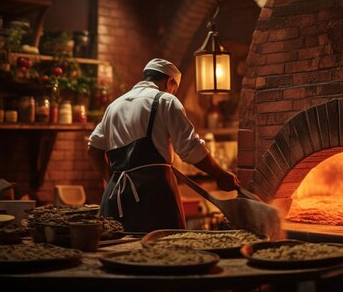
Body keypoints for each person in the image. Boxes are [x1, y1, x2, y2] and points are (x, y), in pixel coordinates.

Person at [87, 58, 241, 232]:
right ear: (169, 82)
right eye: (174, 90)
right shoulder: (165, 101)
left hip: (115, 196)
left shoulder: (113, 106)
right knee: (161, 251)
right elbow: (191, 149)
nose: (173, 93)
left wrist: (109, 178)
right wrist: (220, 175)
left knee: (116, 251)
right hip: (153, 197)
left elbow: (93, 149)